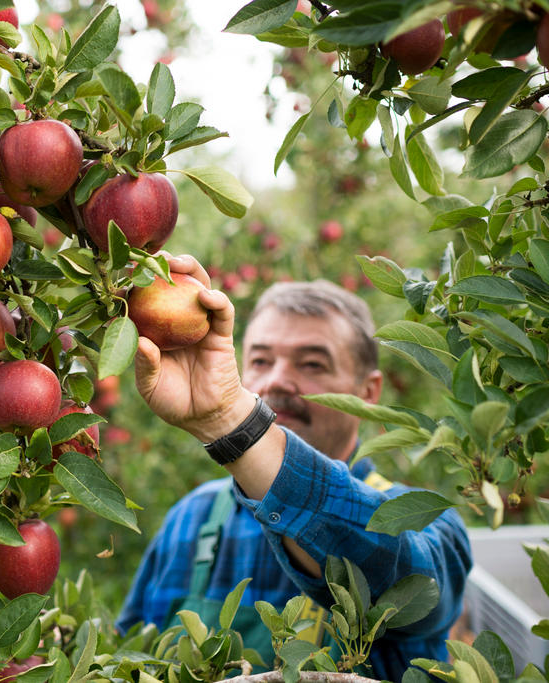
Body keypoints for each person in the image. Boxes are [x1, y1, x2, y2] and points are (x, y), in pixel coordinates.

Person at [117, 254, 472, 681]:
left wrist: (229, 421)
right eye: (262, 361)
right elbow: (130, 654)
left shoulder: (427, 519)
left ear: (368, 390)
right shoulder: (189, 520)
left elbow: (411, 591)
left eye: (312, 364)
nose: (278, 381)